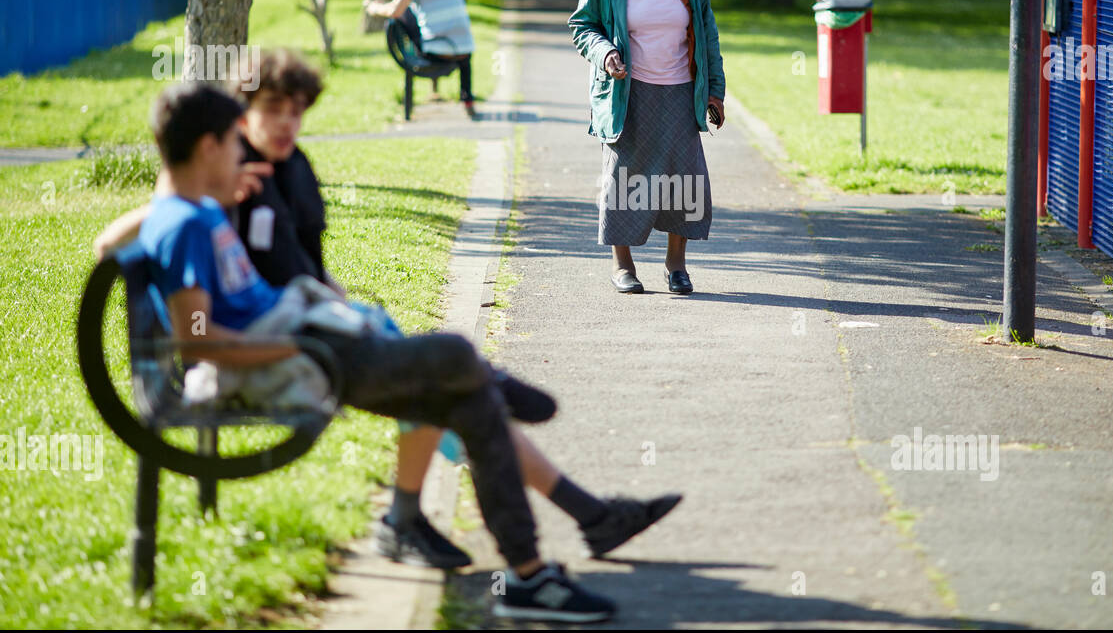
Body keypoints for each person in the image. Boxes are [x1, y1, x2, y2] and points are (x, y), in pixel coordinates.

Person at [94, 50, 682, 570]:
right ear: (234, 119)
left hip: (321, 327)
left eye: (297, 111)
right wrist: (191, 200)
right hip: (295, 347)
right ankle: (554, 512)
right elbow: (154, 256)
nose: (286, 123)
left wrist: (335, 302)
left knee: (458, 389)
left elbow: (300, 264)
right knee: (461, 388)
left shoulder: (278, 170)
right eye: (272, 108)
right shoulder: (217, 186)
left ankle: (524, 517)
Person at [569, 0, 726, 296]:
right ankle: (623, 267)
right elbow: (583, 25)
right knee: (624, 179)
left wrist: (714, 90)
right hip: (628, 92)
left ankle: (676, 266)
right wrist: (605, 54)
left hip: (680, 89)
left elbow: (706, 30)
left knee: (685, 179)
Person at [365, 0, 476, 117]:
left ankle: (413, 55)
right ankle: (468, 99)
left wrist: (375, 8)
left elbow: (395, 10)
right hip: (465, 48)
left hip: (437, 51)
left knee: (402, 13)